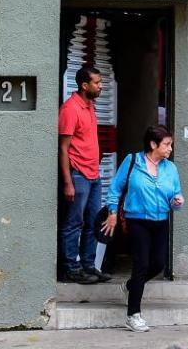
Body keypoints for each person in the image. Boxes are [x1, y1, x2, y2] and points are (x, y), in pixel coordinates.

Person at [102, 125, 184, 333]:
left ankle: (130, 286)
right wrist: (112, 212)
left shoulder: (170, 169)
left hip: (161, 220)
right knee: (141, 264)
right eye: (166, 144)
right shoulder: (132, 162)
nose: (170, 149)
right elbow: (115, 188)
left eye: (170, 144)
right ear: (153, 144)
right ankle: (133, 315)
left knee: (158, 263)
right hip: (137, 220)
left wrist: (177, 201)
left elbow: (175, 196)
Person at [58, 65, 111, 284]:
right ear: (84, 85)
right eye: (97, 83)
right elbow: (63, 148)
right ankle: (71, 268)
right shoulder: (70, 109)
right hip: (78, 175)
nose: (101, 86)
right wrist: (68, 182)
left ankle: (89, 265)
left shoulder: (90, 107)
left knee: (92, 222)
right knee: (74, 223)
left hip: (94, 175)